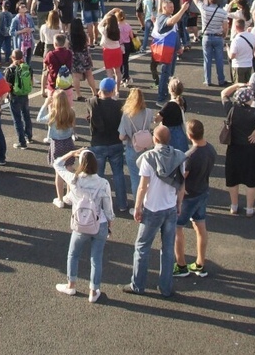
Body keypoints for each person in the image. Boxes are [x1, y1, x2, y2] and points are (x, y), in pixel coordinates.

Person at [125, 124, 184, 298]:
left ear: (154, 139)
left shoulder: (148, 158)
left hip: (152, 208)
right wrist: (179, 203)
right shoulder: (180, 157)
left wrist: (137, 207)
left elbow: (143, 186)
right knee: (167, 249)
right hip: (170, 208)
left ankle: (138, 285)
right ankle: (166, 288)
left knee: (142, 247)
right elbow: (182, 184)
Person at [52, 147, 113, 303]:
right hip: (100, 223)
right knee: (96, 259)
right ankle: (93, 291)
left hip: (80, 224)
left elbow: (57, 164)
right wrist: (109, 226)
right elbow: (109, 209)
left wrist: (72, 153)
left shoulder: (74, 179)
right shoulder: (103, 183)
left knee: (73, 255)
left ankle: (71, 285)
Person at [173, 118, 215, 278]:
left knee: (177, 228)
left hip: (188, 196)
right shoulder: (210, 149)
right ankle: (200, 264)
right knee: (201, 227)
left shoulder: (189, 156)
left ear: (189, 135)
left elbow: (182, 177)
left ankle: (181, 265)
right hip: (203, 192)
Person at [220, 82, 255, 217]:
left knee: (233, 178)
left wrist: (236, 85)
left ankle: (234, 206)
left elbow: (223, 93)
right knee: (251, 180)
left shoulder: (231, 109)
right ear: (249, 99)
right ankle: (249, 209)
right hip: (251, 150)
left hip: (234, 147)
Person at [86, 76, 128, 215]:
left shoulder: (93, 103)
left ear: (100, 90)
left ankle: (98, 204)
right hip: (116, 143)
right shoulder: (119, 106)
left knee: (98, 176)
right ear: (112, 90)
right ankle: (122, 204)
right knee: (118, 174)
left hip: (98, 143)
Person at [39, 89, 77, 207]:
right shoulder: (71, 112)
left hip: (57, 144)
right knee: (69, 169)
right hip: (68, 143)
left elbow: (39, 118)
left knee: (59, 172)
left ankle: (60, 199)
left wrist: (45, 104)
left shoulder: (53, 114)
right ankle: (69, 196)